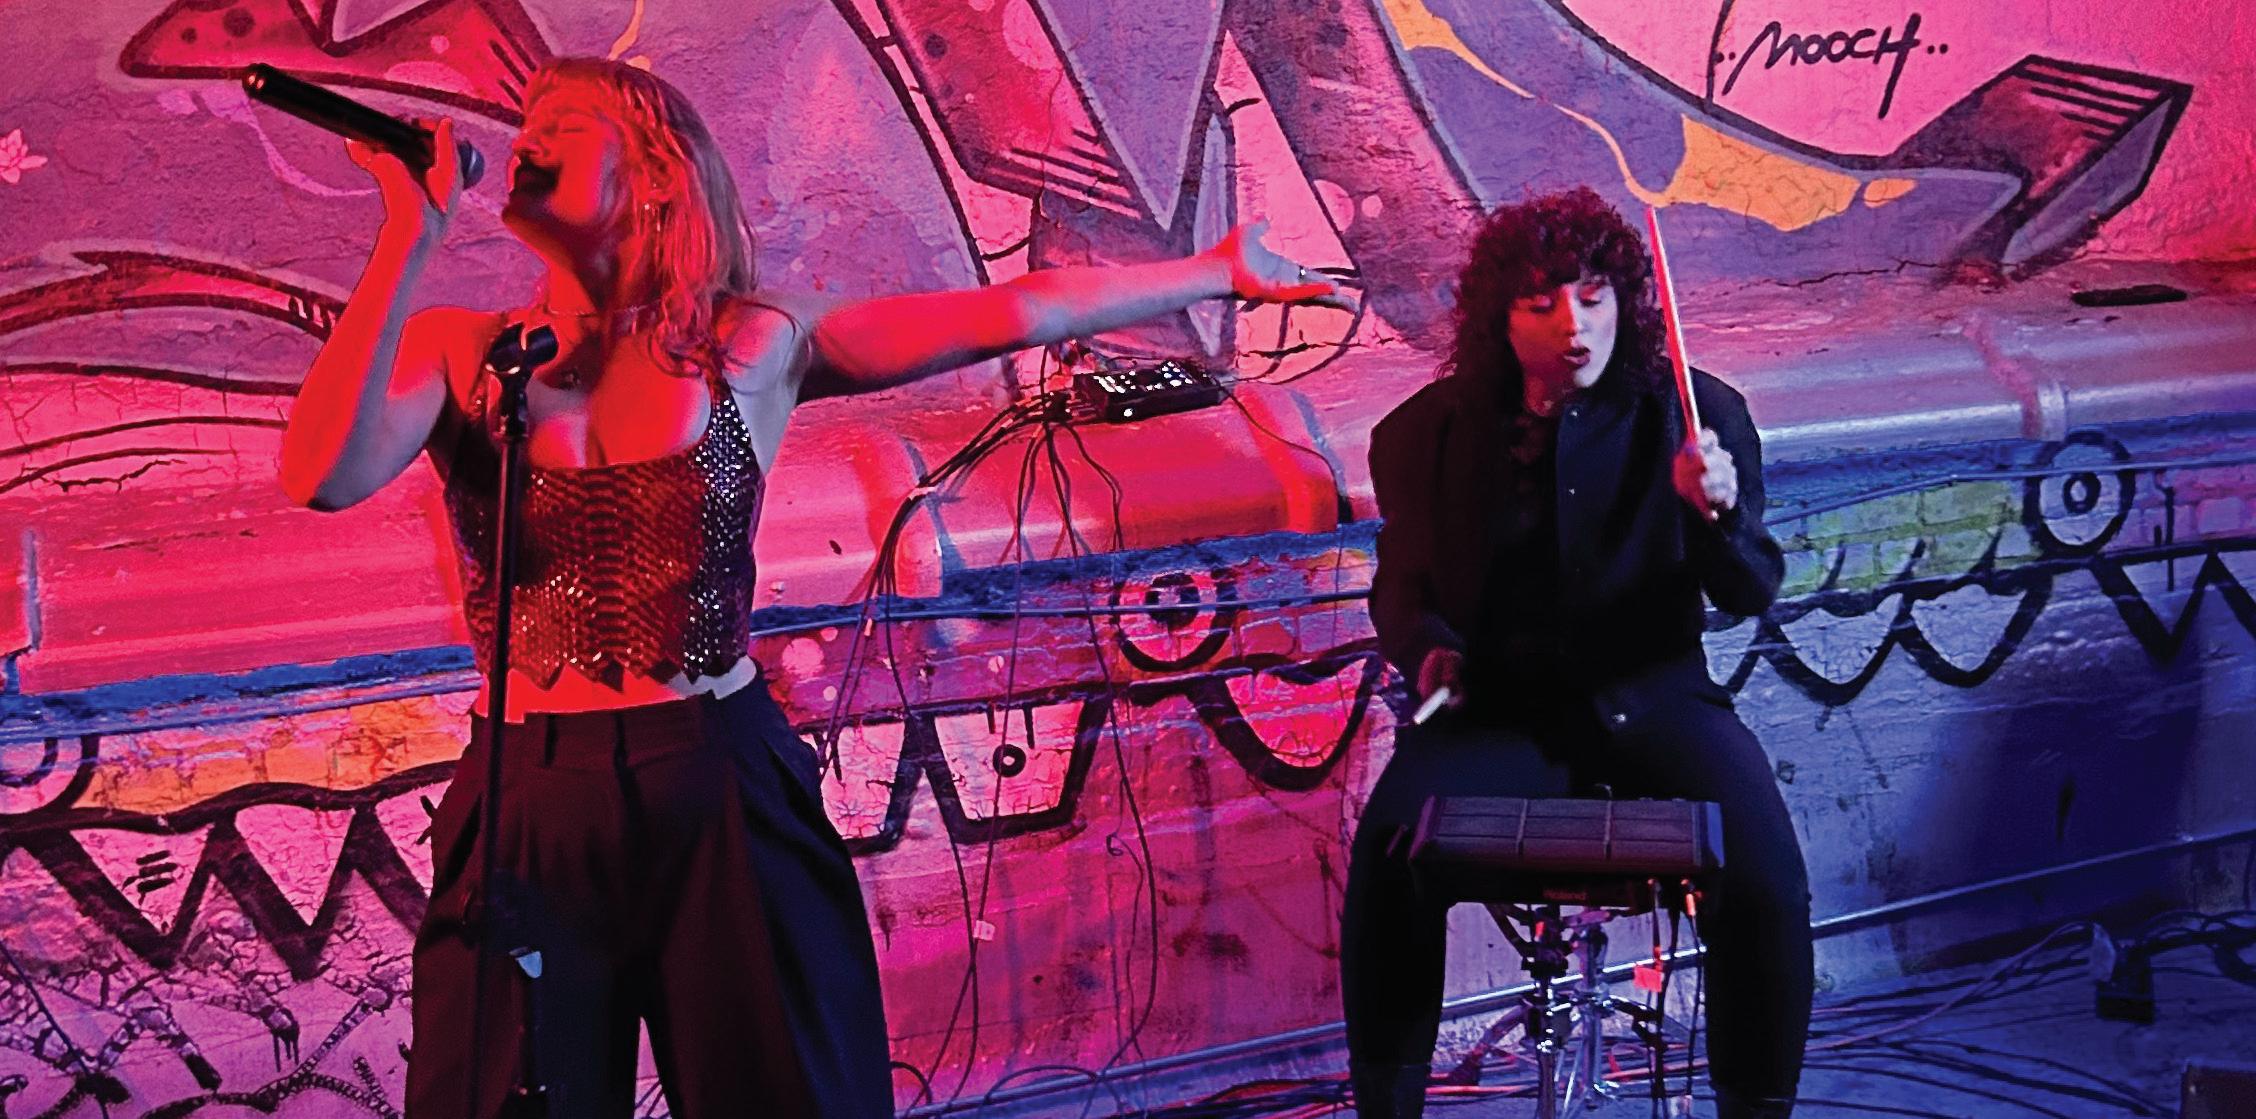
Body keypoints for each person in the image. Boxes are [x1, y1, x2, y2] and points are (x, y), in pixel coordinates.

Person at [277, 57, 1339, 1119]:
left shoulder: (752, 343)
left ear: (657, 173)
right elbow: (321, 475)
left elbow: (1017, 308)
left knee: (787, 1091)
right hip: (525, 789)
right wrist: (406, 237)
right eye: (525, 124)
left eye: (564, 122)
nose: (526, 140)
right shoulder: (464, 353)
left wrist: (1215, 270)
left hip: (713, 769)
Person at [1342, 188, 1812, 1119]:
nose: (1575, 326)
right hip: (1496, 710)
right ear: (1500, 316)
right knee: (1389, 859)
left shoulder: (1696, 413)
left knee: (1765, 876)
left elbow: (1752, 589)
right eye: (1542, 303)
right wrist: (1429, 653)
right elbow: (1402, 591)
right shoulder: (1427, 433)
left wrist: (1714, 517)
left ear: (1624, 302)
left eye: (1595, 299)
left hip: (1657, 698)